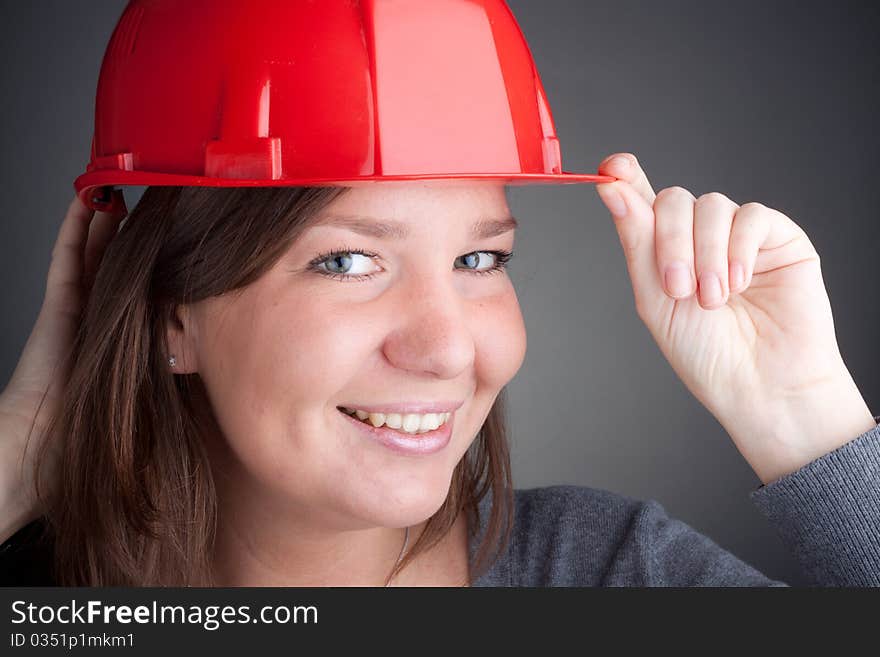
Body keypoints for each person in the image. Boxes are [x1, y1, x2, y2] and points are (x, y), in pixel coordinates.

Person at [1, 0, 878, 586]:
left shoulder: (608, 575)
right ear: (169, 317)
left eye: (479, 261)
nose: (450, 348)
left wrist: (805, 419)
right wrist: (21, 455)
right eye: (347, 262)